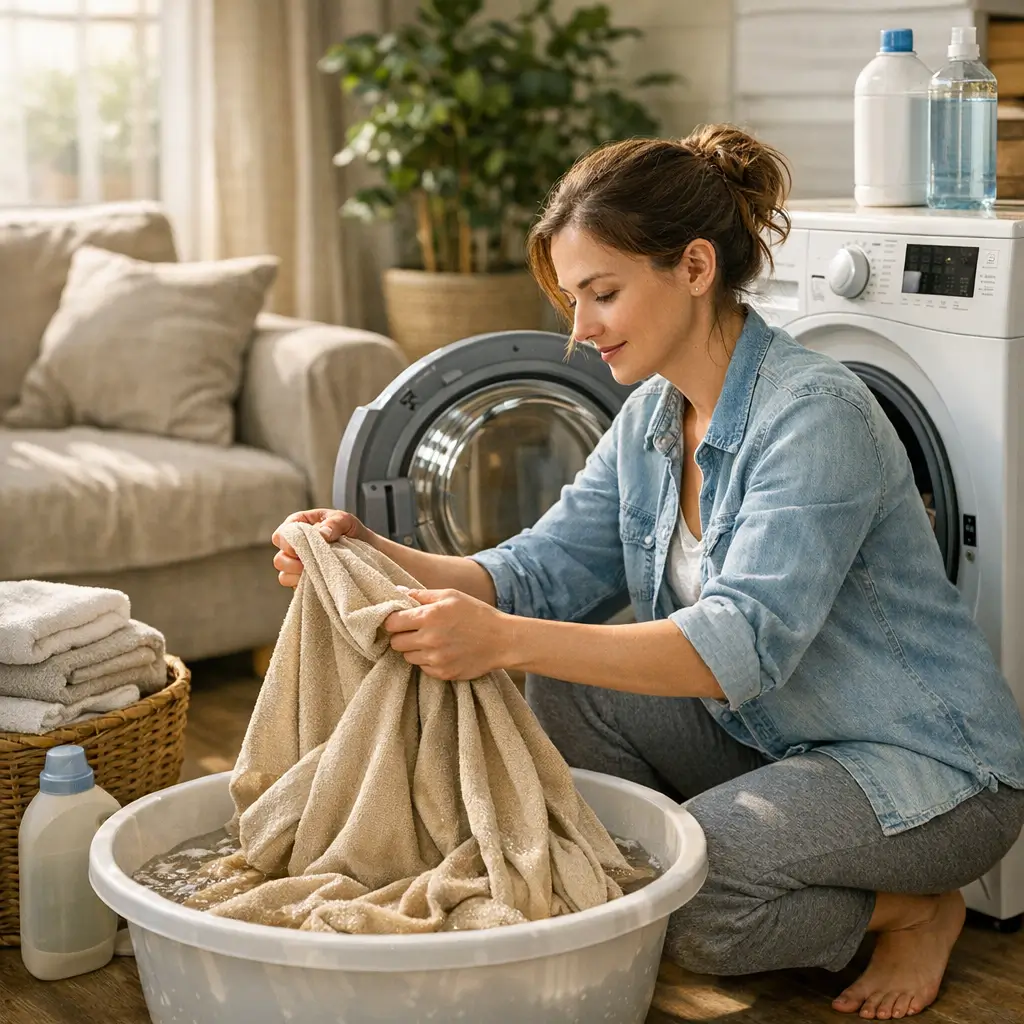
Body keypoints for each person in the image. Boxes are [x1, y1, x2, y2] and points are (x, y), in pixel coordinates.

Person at [272, 124, 1024, 1021]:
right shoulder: (652, 419)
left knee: (680, 910)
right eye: (572, 299)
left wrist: (504, 643)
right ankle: (711, 852)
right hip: (774, 738)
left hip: (933, 772)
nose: (580, 330)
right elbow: (537, 571)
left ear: (695, 268)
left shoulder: (816, 414)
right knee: (571, 704)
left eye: (602, 294)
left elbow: (735, 645)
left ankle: (916, 911)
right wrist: (367, 549)